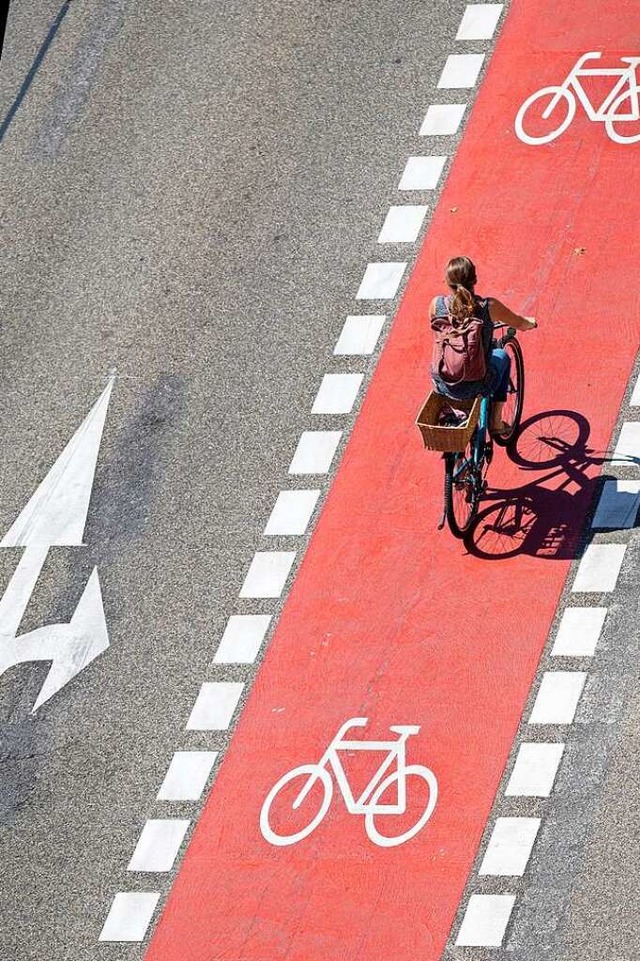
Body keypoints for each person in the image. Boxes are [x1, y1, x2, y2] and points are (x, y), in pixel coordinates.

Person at [429, 256, 537, 435]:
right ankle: (495, 422)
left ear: (447, 282)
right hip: (477, 383)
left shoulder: (436, 305)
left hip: (442, 382)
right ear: (475, 280)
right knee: (502, 357)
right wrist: (530, 323)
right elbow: (520, 323)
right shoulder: (488, 307)